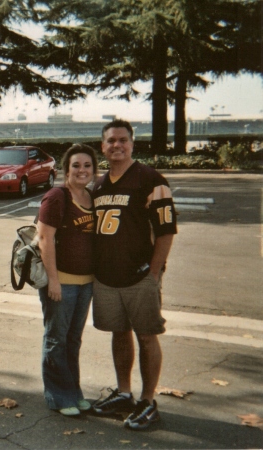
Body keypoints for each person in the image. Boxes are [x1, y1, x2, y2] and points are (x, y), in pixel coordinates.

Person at [91, 119, 177, 430]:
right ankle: (124, 392)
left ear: (132, 143)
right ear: (103, 146)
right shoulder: (98, 185)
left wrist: (154, 274)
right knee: (119, 333)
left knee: (146, 336)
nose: (117, 145)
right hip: (107, 277)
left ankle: (148, 400)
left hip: (140, 275)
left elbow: (166, 232)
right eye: (111, 140)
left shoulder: (150, 179)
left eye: (122, 140)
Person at [36, 143, 97, 416]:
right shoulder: (57, 196)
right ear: (66, 169)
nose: (82, 170)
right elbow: (44, 238)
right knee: (56, 339)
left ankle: (74, 392)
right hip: (62, 281)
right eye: (76, 165)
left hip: (86, 283)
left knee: (73, 340)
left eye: (87, 165)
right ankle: (59, 397)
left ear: (94, 170)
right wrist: (53, 280)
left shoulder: (91, 197)